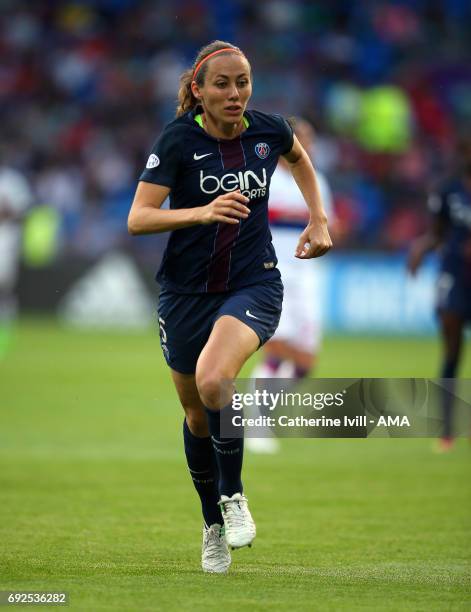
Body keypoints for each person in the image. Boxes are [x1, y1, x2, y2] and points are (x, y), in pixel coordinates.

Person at [128, 40, 332, 573]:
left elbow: (299, 157)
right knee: (196, 414)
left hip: (253, 282)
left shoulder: (269, 130)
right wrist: (201, 212)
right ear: (198, 90)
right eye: (222, 83)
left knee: (217, 380)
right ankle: (212, 524)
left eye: (243, 82)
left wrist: (319, 219)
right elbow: (139, 218)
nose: (235, 93)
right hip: (184, 293)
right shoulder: (176, 141)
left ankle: (235, 495)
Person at [247, 118, 335, 454]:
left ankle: (259, 407)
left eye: (311, 140)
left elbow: (327, 226)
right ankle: (257, 420)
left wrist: (330, 230)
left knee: (305, 361)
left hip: (309, 276)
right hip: (274, 273)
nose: (307, 146)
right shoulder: (265, 178)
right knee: (277, 348)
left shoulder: (317, 182)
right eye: (303, 140)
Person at [407, 133, 471, 451]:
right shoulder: (448, 190)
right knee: (452, 348)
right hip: (455, 274)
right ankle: (447, 428)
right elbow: (437, 231)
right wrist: (421, 247)